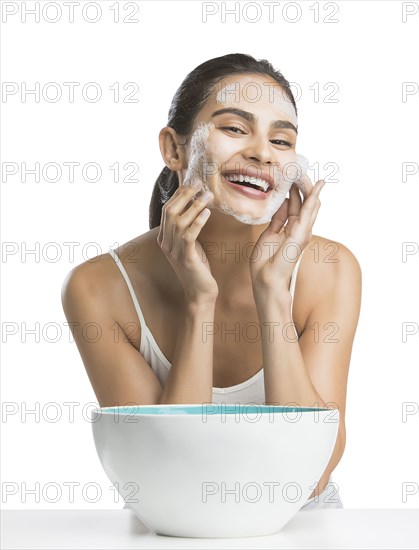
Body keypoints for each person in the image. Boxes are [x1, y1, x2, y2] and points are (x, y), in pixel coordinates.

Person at [61, 53, 361, 507]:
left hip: (303, 530)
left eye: (281, 140)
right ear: (174, 148)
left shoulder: (329, 270)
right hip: (169, 530)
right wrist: (199, 301)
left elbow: (312, 477)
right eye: (235, 129)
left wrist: (273, 294)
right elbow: (169, 474)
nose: (262, 152)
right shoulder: (98, 288)